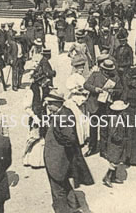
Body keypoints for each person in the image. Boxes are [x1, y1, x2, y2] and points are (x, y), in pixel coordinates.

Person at [44, 82, 94, 213]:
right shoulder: (63, 113)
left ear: (58, 103)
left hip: (58, 161)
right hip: (60, 160)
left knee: (58, 191)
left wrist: (58, 140)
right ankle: (73, 206)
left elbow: (70, 139)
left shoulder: (63, 116)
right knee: (65, 184)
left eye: (50, 104)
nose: (48, 106)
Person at [83, 59, 122, 157]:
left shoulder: (115, 78)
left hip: (106, 106)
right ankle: (92, 147)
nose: (107, 72)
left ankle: (103, 150)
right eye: (105, 70)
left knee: (104, 128)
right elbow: (86, 85)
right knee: (93, 128)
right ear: (102, 69)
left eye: (109, 71)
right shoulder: (95, 75)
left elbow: (120, 90)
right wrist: (95, 89)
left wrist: (113, 91)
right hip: (94, 105)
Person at [102, 99, 129, 188]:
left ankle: (113, 177)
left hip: (119, 143)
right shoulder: (115, 119)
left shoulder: (119, 117)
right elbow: (113, 134)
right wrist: (120, 139)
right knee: (114, 161)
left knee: (117, 160)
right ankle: (107, 177)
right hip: (115, 143)